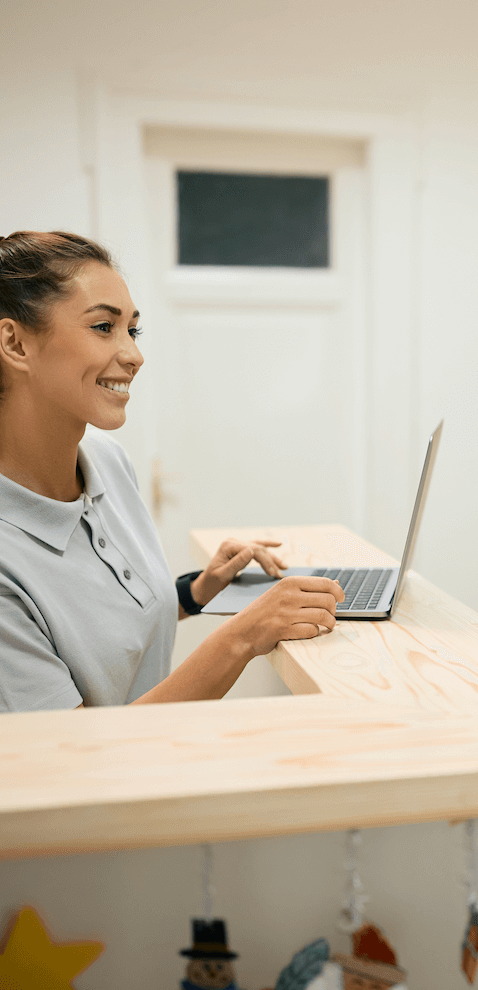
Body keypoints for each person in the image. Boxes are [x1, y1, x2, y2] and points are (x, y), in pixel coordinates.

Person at [0, 231, 344, 711]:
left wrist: (198, 589)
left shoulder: (107, 462)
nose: (134, 356)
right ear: (15, 343)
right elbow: (77, 753)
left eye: (132, 331)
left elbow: (109, 627)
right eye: (104, 327)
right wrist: (241, 638)